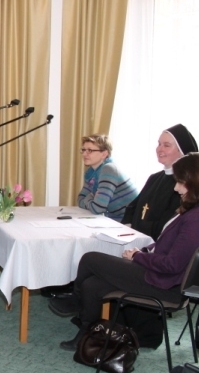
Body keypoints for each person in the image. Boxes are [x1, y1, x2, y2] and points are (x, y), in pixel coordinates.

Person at [50, 152, 199, 350]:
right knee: (93, 285)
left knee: (90, 258)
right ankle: (88, 334)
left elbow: (172, 264)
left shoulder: (195, 219)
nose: (176, 188)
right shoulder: (190, 211)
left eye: (180, 182)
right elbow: (166, 244)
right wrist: (145, 250)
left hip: (166, 285)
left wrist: (138, 257)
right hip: (159, 276)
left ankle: (76, 300)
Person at [122, 124, 198, 239]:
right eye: (159, 144)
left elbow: (169, 222)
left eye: (166, 145)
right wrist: (127, 226)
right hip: (135, 239)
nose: (159, 149)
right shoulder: (154, 178)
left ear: (182, 150)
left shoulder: (186, 185)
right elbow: (133, 207)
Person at [77, 134, 138, 222]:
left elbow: (97, 208)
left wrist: (89, 198)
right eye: (83, 150)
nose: (84, 154)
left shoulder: (109, 169)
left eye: (90, 150)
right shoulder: (91, 172)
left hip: (127, 223)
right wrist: (91, 199)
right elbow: (80, 198)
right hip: (112, 219)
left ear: (104, 154)